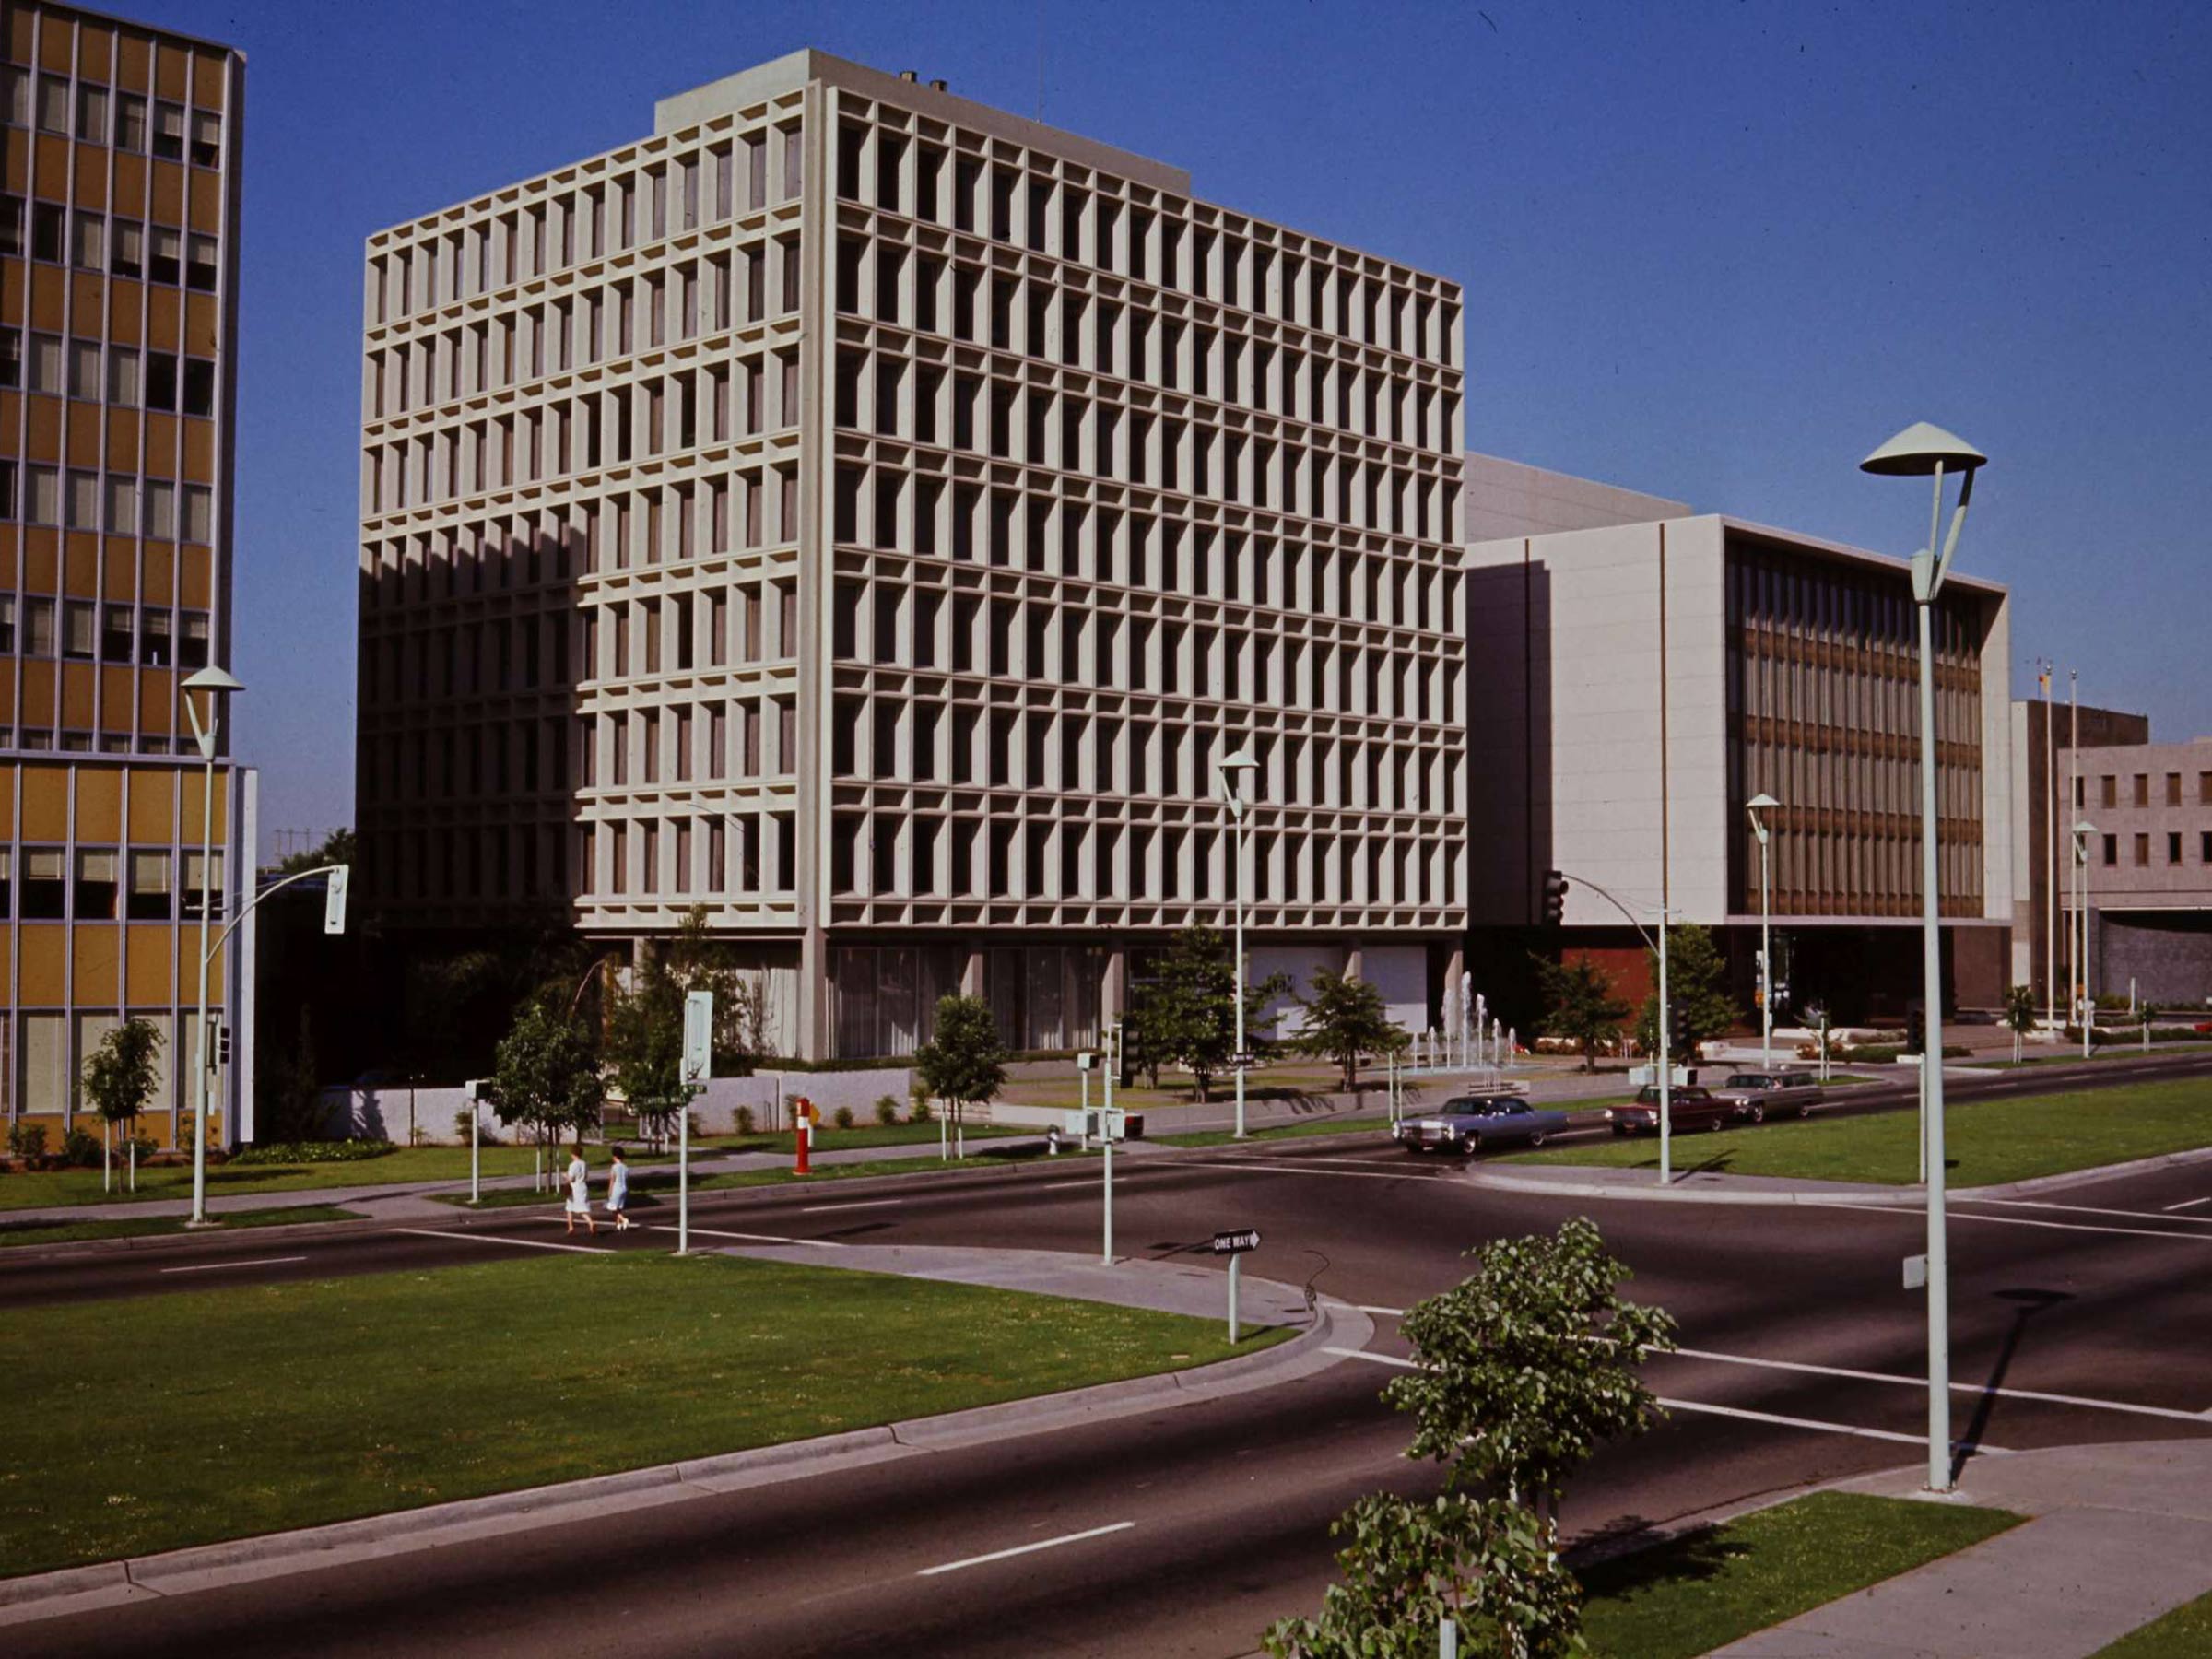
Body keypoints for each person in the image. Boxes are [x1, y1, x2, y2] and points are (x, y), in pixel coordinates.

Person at [563, 1146, 596, 1236]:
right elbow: (585, 1176)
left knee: (573, 1208)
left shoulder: (572, 1165)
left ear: (573, 1154)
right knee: (577, 1207)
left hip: (574, 1189)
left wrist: (565, 1176)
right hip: (583, 1186)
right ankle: (571, 1227)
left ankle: (589, 1223)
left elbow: (571, 1179)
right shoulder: (584, 1163)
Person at [606, 1144, 632, 1231]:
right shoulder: (626, 1167)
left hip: (616, 1189)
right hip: (624, 1188)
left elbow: (612, 1180)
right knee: (619, 1208)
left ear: (615, 1156)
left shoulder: (614, 1167)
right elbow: (627, 1179)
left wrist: (609, 1190)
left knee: (612, 1208)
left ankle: (624, 1219)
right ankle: (618, 1224)